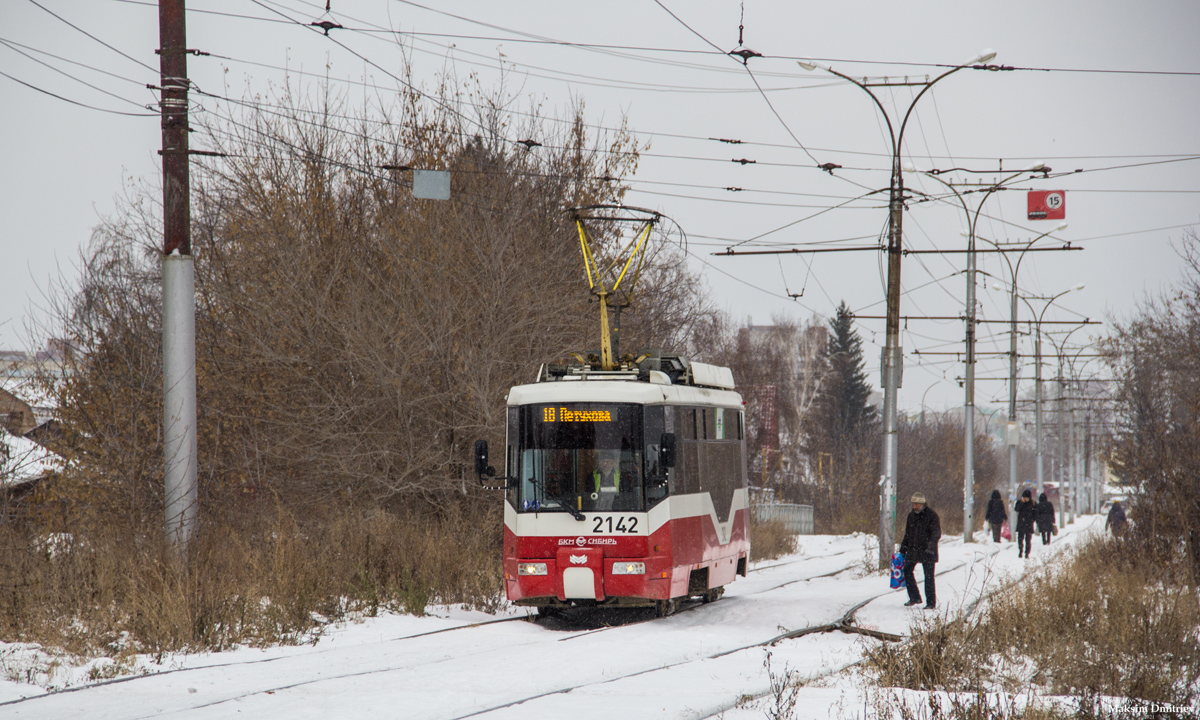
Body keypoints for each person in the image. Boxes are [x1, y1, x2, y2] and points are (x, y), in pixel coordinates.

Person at [899, 492, 941, 610]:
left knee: (928, 577)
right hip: (913, 550)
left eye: (917, 504)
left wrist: (931, 547)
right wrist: (903, 547)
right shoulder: (911, 516)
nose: (914, 506)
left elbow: (936, 533)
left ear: (922, 504)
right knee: (907, 570)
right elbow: (908, 533)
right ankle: (914, 597)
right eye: (913, 504)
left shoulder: (932, 515)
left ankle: (931, 603)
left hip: (928, 551)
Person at [1014, 489, 1036, 558]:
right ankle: (1020, 551)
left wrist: (1032, 520)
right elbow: (1016, 509)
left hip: (1029, 524)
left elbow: (1035, 513)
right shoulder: (1019, 502)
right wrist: (1022, 503)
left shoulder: (1033, 503)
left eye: (1026, 497)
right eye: (1024, 497)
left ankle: (1027, 553)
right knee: (1020, 539)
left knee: (1028, 540)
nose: (1025, 498)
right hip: (1021, 524)